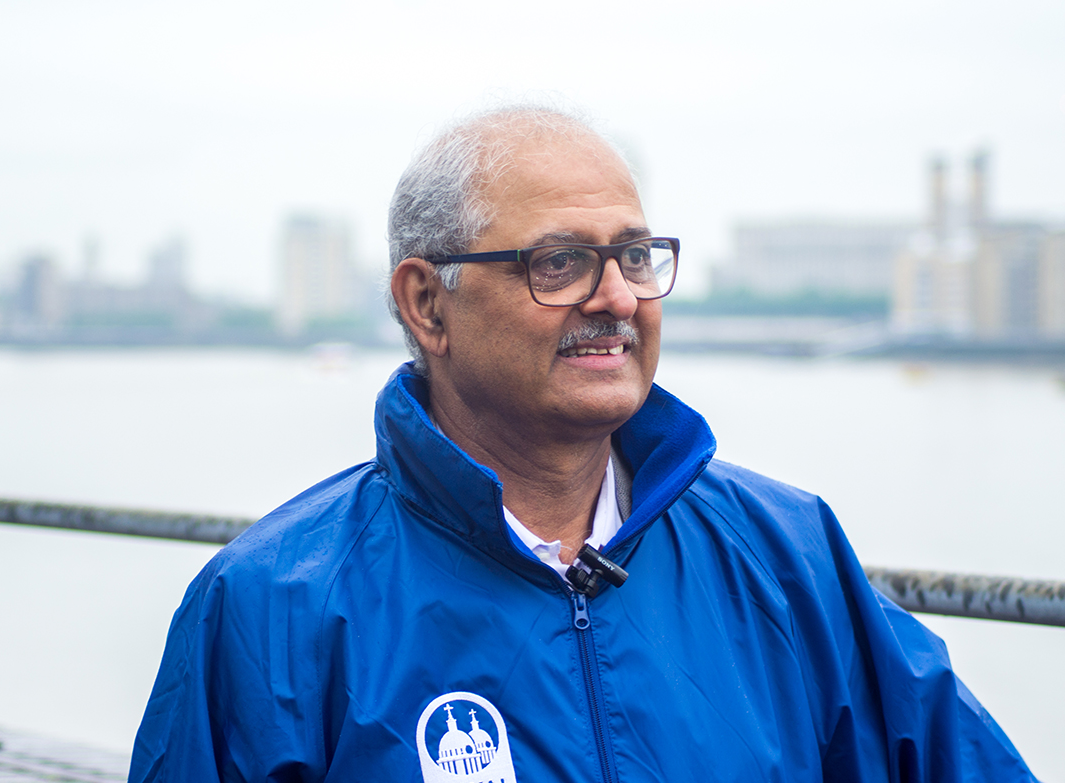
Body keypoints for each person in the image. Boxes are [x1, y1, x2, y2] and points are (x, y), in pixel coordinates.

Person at [129, 107, 1038, 782]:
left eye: (636, 256)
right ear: (427, 305)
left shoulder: (786, 555)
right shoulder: (270, 607)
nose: (616, 298)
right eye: (558, 263)